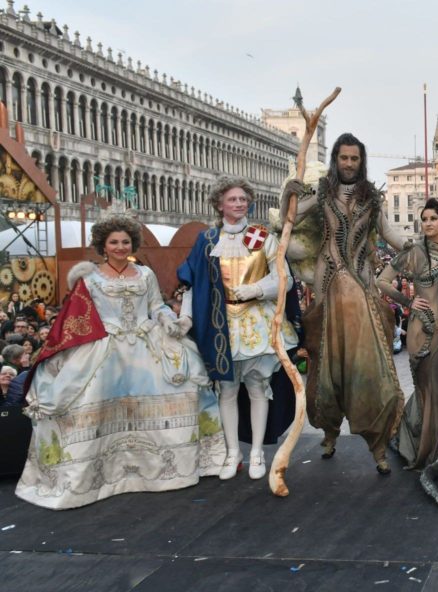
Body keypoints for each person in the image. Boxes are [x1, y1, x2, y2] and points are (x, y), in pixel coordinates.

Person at [17, 216, 225, 509]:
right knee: (88, 399)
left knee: (185, 384)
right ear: (103, 245)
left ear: (132, 243)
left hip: (146, 341)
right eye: (113, 242)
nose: (119, 246)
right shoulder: (89, 278)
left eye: (125, 241)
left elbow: (155, 305)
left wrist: (168, 320)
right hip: (106, 346)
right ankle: (98, 475)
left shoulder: (145, 274)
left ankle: (168, 468)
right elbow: (77, 319)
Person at [280, 132, 406, 473]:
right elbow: (288, 221)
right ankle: (330, 433)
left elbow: (392, 236)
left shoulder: (372, 199)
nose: (349, 163)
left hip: (363, 289)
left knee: (369, 365)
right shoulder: (322, 194)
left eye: (354, 158)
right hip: (328, 286)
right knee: (327, 364)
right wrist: (287, 196)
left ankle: (378, 446)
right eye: (343, 158)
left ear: (361, 161)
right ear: (336, 160)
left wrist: (420, 246)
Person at [178, 176, 298, 481]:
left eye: (243, 199)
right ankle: (233, 453)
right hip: (220, 326)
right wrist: (186, 317)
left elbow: (285, 279)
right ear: (220, 204)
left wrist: (257, 289)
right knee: (227, 390)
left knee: (258, 388)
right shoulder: (207, 241)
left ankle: (257, 451)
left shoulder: (262, 237)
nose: (239, 204)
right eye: (232, 199)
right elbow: (191, 284)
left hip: (257, 322)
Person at [376, 199, 438, 468]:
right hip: (423, 329)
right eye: (425, 219)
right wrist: (408, 302)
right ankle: (424, 447)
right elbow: (381, 282)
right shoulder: (413, 252)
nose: (428, 223)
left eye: (433, 218)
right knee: (425, 388)